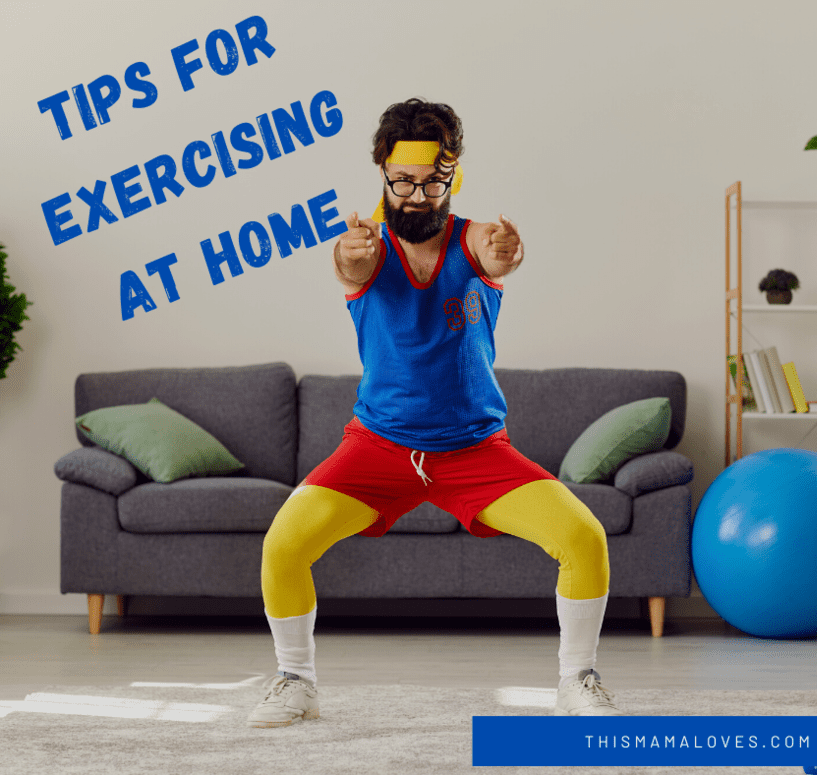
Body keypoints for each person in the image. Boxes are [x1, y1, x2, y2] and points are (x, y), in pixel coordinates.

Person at [246, 98, 619, 728]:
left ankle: (577, 679)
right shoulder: (363, 247)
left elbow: (497, 257)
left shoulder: (474, 241)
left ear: (454, 176)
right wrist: (350, 257)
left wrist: (507, 254)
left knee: (585, 538)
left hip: (475, 451)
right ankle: (295, 680)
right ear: (382, 175)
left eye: (433, 181)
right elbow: (349, 263)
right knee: (283, 544)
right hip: (377, 448)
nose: (417, 195)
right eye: (402, 182)